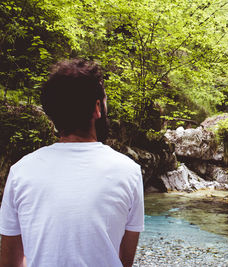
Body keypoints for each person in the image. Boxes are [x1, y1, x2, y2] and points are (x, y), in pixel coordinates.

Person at [0, 59, 144, 267]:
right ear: (97, 108)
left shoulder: (21, 171)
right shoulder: (129, 171)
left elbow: (9, 262)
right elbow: (122, 260)